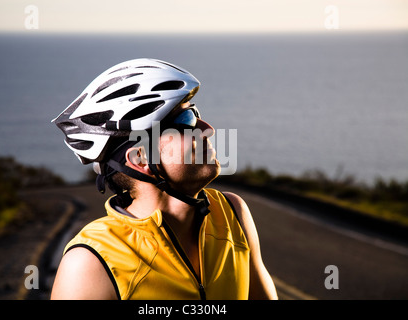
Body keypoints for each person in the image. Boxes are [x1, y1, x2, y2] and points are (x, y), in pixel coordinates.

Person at [50, 58, 278, 300]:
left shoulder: (231, 213)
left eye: (194, 112)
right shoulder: (90, 261)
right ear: (141, 159)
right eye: (185, 121)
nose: (207, 128)